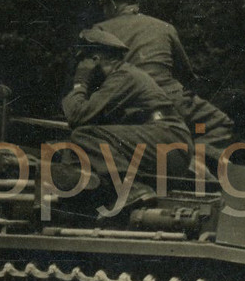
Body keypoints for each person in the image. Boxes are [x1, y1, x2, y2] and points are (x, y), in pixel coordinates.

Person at [84, 0, 235, 165]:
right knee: (218, 124)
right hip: (171, 98)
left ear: (113, 4)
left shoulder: (99, 30)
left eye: (104, 6)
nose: (103, 11)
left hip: (128, 102)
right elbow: (186, 74)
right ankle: (195, 160)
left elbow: (91, 77)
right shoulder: (164, 27)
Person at [57, 28, 192, 212]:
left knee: (83, 135)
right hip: (163, 144)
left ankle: (131, 189)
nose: (78, 67)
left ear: (94, 60)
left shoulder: (123, 77)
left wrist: (80, 82)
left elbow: (77, 116)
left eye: (82, 61)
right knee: (79, 148)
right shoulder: (118, 78)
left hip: (166, 140)